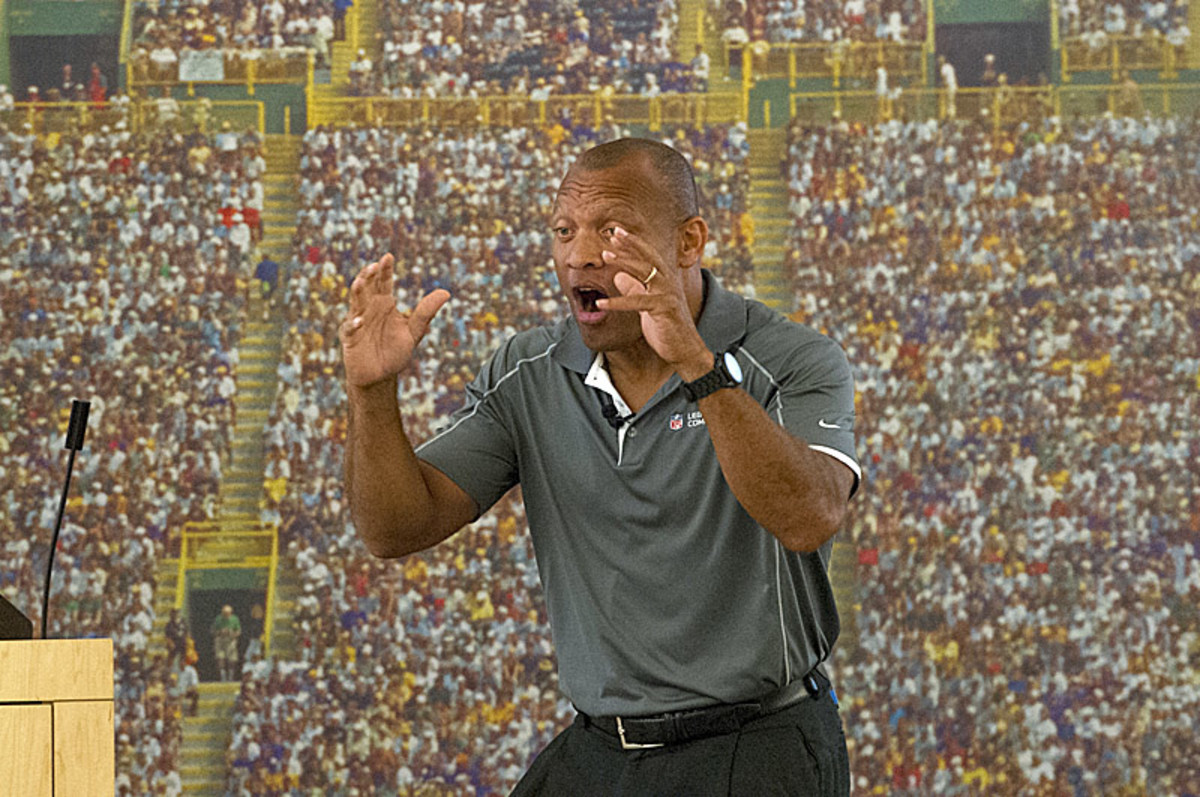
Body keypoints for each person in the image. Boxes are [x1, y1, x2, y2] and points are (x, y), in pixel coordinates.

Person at [341, 138, 859, 795]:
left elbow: (810, 517)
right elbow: (394, 530)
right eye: (564, 230)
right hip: (602, 746)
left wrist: (696, 363)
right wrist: (371, 392)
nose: (580, 253)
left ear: (688, 242)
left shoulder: (791, 360)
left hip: (755, 745)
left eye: (611, 230)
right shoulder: (525, 374)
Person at [211, 604, 242, 681]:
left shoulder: (235, 619)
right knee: (220, 658)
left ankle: (231, 676)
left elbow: (239, 631)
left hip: (231, 640)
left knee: (232, 659)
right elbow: (212, 631)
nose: (225, 615)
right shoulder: (218, 619)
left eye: (227, 613)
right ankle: (223, 676)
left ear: (230, 613)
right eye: (224, 613)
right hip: (220, 640)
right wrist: (220, 632)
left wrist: (231, 633)